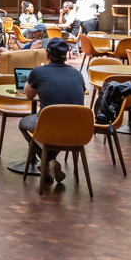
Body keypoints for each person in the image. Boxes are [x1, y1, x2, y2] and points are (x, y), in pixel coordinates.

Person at [20, 39, 87, 183]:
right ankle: (49, 165)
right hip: (77, 131)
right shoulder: (77, 74)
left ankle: (49, 161)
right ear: (67, 56)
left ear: (47, 55)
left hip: (49, 128)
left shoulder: (38, 71)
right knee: (59, 132)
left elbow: (29, 95)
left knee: (23, 124)